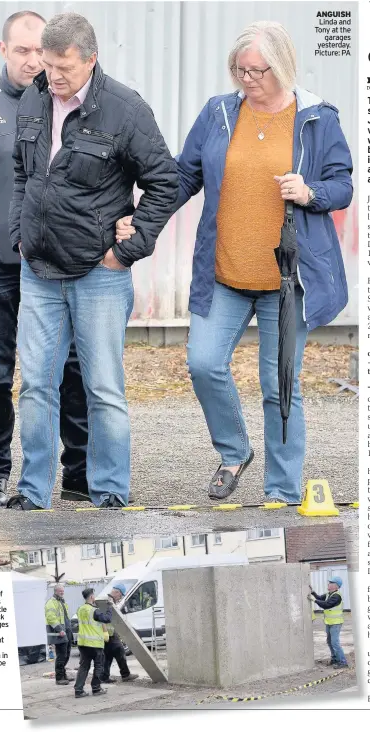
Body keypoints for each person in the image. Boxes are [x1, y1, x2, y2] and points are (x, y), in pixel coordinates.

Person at [116, 20, 353, 504]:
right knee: (203, 364)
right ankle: (234, 450)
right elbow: (184, 176)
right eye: (240, 70)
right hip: (224, 272)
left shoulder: (317, 118)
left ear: (283, 67)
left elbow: (342, 183)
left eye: (258, 71)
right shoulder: (220, 113)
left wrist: (312, 192)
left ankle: (282, 491)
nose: (247, 79)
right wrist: (142, 220)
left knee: (278, 383)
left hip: (288, 279)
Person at [7, 12, 178, 511]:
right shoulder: (35, 95)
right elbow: (23, 173)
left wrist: (127, 249)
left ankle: (109, 492)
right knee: (36, 385)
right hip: (37, 270)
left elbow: (164, 182)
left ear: (91, 59)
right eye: (48, 64)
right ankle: (33, 492)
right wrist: (20, 233)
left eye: (64, 68)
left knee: (103, 388)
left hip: (98, 275)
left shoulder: (125, 109)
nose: (53, 77)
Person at [0, 10, 89, 509]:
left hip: (54, 266)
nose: (31, 61)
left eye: (37, 52)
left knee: (70, 368)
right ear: (3, 50)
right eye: (20, 51)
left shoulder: (71, 105)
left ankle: (80, 475)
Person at [74, 587, 113, 699]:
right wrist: (110, 606)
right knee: (99, 666)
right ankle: (96, 688)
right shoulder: (94, 610)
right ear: (91, 596)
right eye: (94, 596)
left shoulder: (80, 609)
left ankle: (79, 690)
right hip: (94, 644)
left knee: (84, 667)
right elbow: (107, 619)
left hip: (83, 643)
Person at [100, 584, 139, 684]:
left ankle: (104, 676)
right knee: (120, 651)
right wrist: (105, 632)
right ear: (116, 592)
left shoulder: (106, 600)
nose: (120, 597)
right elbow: (104, 618)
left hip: (109, 633)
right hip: (109, 634)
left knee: (108, 656)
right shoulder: (108, 602)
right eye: (120, 595)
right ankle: (125, 675)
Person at [309, 577, 348, 669]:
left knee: (335, 642)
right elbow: (319, 598)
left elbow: (326, 605)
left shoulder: (336, 596)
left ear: (335, 586)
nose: (328, 584)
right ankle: (334, 659)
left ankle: (343, 661)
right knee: (329, 641)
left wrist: (313, 600)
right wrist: (313, 592)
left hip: (336, 623)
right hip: (329, 622)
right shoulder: (328, 594)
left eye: (330, 583)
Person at [45, 584, 73, 685]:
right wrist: (59, 629)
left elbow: (65, 617)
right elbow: (51, 617)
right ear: (55, 591)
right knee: (61, 655)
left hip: (67, 631)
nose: (62, 593)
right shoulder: (51, 603)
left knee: (67, 654)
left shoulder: (62, 602)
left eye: (63, 591)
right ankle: (59, 677)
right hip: (60, 633)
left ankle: (63, 675)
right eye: (60, 591)